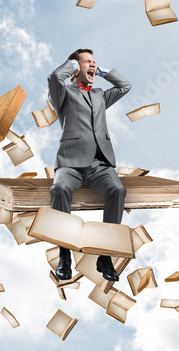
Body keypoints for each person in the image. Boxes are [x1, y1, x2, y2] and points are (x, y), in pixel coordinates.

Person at [47, 48, 131, 282]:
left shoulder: (99, 95)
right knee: (59, 189)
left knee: (117, 190)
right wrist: (72, 63)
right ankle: (64, 254)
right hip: (70, 163)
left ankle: (104, 255)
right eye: (87, 62)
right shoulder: (63, 93)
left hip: (99, 162)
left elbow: (125, 86)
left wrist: (103, 72)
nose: (92, 65)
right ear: (76, 69)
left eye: (94, 62)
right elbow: (54, 78)